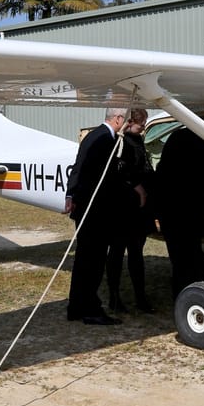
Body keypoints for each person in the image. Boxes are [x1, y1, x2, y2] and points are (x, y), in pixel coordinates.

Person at [63, 107, 130, 325]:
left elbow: (78, 168)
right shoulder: (105, 140)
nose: (127, 124)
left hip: (87, 209)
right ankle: (91, 310)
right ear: (118, 119)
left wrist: (70, 193)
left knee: (83, 261)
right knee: (93, 262)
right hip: (95, 213)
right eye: (126, 120)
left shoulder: (93, 135)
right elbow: (105, 178)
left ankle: (76, 307)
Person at [155, 124, 204, 298]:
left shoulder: (176, 137)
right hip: (191, 205)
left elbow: (161, 171)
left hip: (170, 205)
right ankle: (194, 291)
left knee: (178, 255)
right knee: (191, 251)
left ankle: (182, 293)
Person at [105, 108, 156, 314]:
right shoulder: (121, 141)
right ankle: (114, 297)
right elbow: (119, 171)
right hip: (123, 206)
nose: (144, 126)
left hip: (137, 209)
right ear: (130, 122)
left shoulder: (137, 140)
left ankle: (140, 297)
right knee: (117, 252)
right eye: (141, 122)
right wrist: (140, 189)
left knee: (136, 252)